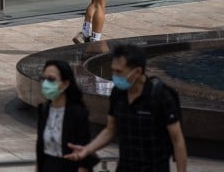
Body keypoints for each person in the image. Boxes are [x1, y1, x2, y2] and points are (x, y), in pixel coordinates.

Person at [66, 44, 187, 172]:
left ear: (138, 71)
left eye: (119, 72)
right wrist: (88, 149)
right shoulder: (118, 94)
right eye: (113, 70)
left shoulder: (161, 96)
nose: (114, 76)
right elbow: (110, 129)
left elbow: (177, 140)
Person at [36, 59, 97, 172]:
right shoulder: (44, 110)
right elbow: (40, 149)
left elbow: (84, 154)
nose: (45, 83)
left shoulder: (77, 113)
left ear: (65, 84)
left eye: (51, 79)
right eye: (43, 79)